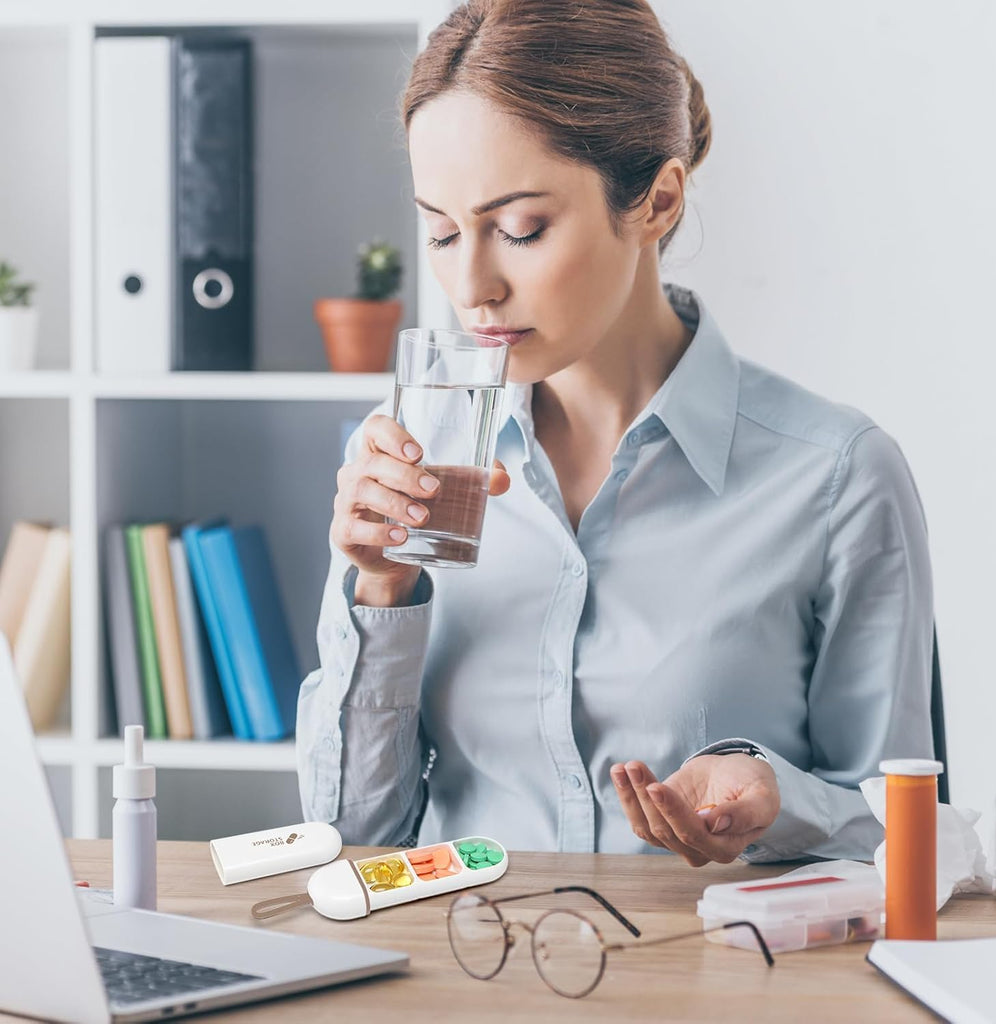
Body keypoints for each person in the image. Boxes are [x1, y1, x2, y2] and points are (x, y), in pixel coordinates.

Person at [296, 0, 934, 865]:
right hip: (464, 980)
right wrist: (380, 593)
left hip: (707, 989)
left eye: (520, 228)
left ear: (657, 202)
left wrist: (780, 802)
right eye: (442, 233)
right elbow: (353, 843)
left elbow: (909, 841)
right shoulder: (417, 458)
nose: (470, 284)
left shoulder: (835, 478)